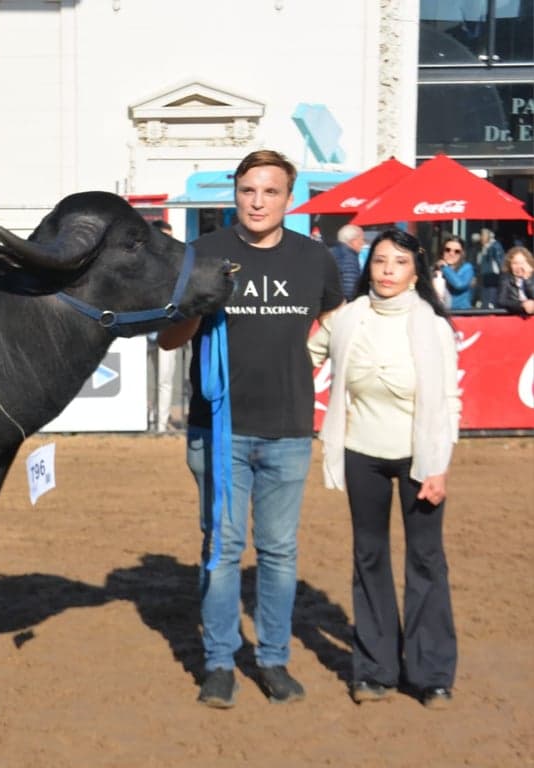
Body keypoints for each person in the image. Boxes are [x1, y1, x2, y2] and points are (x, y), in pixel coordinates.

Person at [157, 149, 343, 708]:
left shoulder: (316, 260)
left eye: (270, 192)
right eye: (248, 191)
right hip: (218, 431)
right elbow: (169, 339)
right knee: (223, 546)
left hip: (288, 431)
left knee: (279, 550)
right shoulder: (203, 254)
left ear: (290, 198)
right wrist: (197, 303)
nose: (258, 202)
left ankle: (273, 660)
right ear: (234, 194)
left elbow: (335, 330)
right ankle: (218, 663)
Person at [308, 228, 460, 709]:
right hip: (361, 454)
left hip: (421, 460)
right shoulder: (346, 319)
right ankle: (376, 670)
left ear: (416, 270)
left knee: (425, 561)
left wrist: (438, 466)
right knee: (369, 559)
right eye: (379, 262)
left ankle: (432, 674)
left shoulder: (433, 325)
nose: (388, 270)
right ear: (368, 267)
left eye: (398, 262)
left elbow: (450, 401)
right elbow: (298, 361)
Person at [151, 219, 183, 432]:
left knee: (164, 379)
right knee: (145, 380)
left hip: (167, 329)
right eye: (165, 238)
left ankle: (160, 425)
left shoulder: (177, 265)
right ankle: (146, 419)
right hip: (140, 331)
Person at [434, 235, 474, 310]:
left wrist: (445, 268)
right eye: (448, 250)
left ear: (462, 254)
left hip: (460, 314)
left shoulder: (467, 268)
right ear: (442, 251)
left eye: (457, 251)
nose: (451, 253)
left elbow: (459, 285)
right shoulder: (435, 269)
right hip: (440, 314)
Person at [330, 224, 365, 301]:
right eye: (362, 239)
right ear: (353, 241)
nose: (363, 243)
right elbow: (350, 288)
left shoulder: (332, 251)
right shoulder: (348, 257)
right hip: (341, 305)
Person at [497, 246, 534, 316]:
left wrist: (527, 279)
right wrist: (521, 305)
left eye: (522, 263)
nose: (519, 266)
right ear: (510, 265)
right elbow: (501, 301)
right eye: (515, 263)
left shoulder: (532, 278)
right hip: (514, 319)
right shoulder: (505, 279)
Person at [475, 227, 505, 308]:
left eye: (483, 235)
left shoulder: (495, 246)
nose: (481, 237)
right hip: (483, 278)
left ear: (489, 235)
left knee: (491, 302)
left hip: (492, 278)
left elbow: (500, 262)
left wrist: (502, 275)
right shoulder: (482, 247)